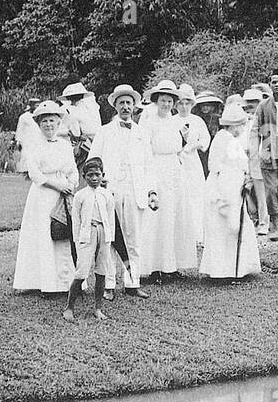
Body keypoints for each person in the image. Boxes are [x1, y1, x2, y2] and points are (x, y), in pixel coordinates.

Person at [88, 84, 157, 299]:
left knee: (134, 238)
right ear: (115, 106)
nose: (125, 107)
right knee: (109, 239)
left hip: (136, 190)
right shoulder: (105, 131)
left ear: (134, 106)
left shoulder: (141, 133)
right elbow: (93, 159)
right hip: (111, 191)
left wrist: (152, 192)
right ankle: (108, 284)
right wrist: (100, 179)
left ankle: (132, 283)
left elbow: (149, 164)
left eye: (129, 103)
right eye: (121, 103)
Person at [12, 100, 80, 296]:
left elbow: (73, 169)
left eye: (52, 120)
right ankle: (46, 283)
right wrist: (56, 184)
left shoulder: (65, 145)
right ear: (39, 124)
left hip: (64, 194)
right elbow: (34, 173)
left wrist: (71, 183)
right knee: (44, 235)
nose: (49, 125)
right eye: (44, 122)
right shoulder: (33, 144)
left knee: (65, 236)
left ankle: (67, 283)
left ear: (59, 123)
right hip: (43, 194)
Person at [200, 103, 262, 281]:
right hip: (223, 187)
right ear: (233, 124)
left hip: (234, 186)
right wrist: (230, 181)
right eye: (241, 125)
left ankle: (239, 268)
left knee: (236, 225)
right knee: (223, 226)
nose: (243, 128)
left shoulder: (232, 140)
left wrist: (243, 178)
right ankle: (223, 270)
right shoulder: (222, 138)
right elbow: (214, 166)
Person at [136, 79, 188, 280]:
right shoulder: (148, 122)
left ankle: (171, 266)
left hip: (174, 168)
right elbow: (145, 150)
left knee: (174, 216)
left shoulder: (175, 121)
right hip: (156, 168)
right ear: (156, 101)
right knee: (157, 217)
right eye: (163, 100)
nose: (166, 104)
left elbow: (180, 146)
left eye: (169, 101)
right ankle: (154, 267)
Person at [65, 156, 114, 321]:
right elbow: (76, 222)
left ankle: (98, 308)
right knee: (82, 271)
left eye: (97, 175)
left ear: (103, 175)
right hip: (86, 235)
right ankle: (69, 308)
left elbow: (110, 220)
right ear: (84, 176)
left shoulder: (107, 195)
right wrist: (78, 241)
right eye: (90, 175)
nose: (94, 178)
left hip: (103, 234)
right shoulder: (80, 196)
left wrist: (109, 238)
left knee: (101, 271)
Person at [251, 70, 278, 240]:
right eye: (273, 82)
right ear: (270, 85)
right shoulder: (263, 106)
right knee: (271, 190)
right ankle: (274, 225)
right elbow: (255, 130)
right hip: (269, 151)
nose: (277, 85)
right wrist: (258, 151)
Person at [175, 84, 210, 261]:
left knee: (196, 196)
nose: (183, 106)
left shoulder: (197, 121)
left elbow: (205, 141)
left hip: (193, 162)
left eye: (187, 103)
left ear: (192, 104)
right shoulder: (172, 121)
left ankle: (198, 235)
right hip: (177, 161)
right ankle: (182, 235)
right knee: (181, 196)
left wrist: (193, 143)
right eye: (180, 103)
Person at [240, 87, 268, 234]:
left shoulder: (264, 120)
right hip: (243, 159)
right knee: (245, 190)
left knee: (262, 193)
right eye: (249, 102)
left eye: (255, 101)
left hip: (259, 159)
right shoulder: (242, 120)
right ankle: (251, 220)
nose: (251, 104)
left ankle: (264, 223)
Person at [191, 91, 224, 177]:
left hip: (216, 148)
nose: (205, 107)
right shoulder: (196, 119)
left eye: (208, 105)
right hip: (200, 150)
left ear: (213, 106)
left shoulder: (219, 119)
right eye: (203, 105)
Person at [14, 97, 42, 177]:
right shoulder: (24, 116)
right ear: (31, 105)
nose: (37, 107)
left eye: (38, 105)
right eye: (35, 105)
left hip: (38, 140)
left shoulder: (40, 116)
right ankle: (26, 173)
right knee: (27, 156)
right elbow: (19, 129)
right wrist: (18, 141)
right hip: (27, 140)